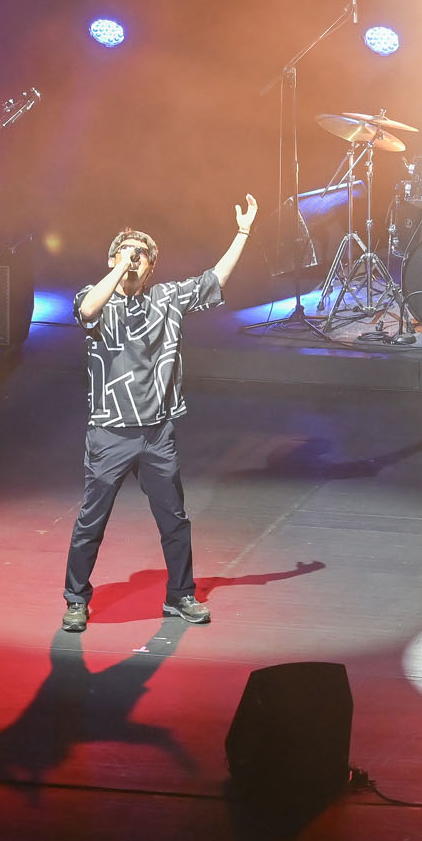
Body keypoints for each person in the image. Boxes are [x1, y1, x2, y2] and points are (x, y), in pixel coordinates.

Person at [61, 194, 258, 633]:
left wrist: (243, 232)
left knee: (174, 520)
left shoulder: (166, 298)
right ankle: (76, 600)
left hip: (156, 433)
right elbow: (88, 311)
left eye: (142, 255)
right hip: (110, 432)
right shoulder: (93, 298)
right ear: (112, 258)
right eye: (126, 252)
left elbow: (214, 279)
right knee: (92, 522)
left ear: (152, 267)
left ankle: (180, 595)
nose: (134, 259)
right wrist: (120, 267)